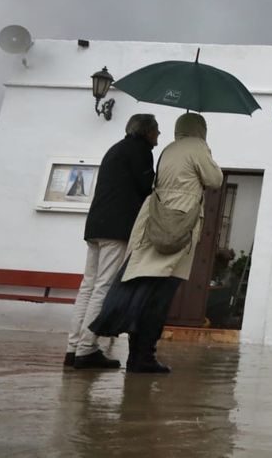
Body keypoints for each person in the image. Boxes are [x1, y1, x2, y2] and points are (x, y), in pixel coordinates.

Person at [90, 112, 223, 373]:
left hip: (154, 223)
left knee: (144, 292)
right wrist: (206, 153)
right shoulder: (197, 147)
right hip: (178, 226)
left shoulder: (169, 149)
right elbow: (214, 180)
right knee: (160, 297)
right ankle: (144, 357)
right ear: (201, 129)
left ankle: (136, 356)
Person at [65, 113, 159, 369]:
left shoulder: (115, 149)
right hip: (117, 228)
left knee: (88, 286)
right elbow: (145, 187)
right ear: (147, 132)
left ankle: (72, 348)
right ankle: (87, 349)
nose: (158, 137)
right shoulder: (140, 150)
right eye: (157, 132)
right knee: (103, 287)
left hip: (96, 224)